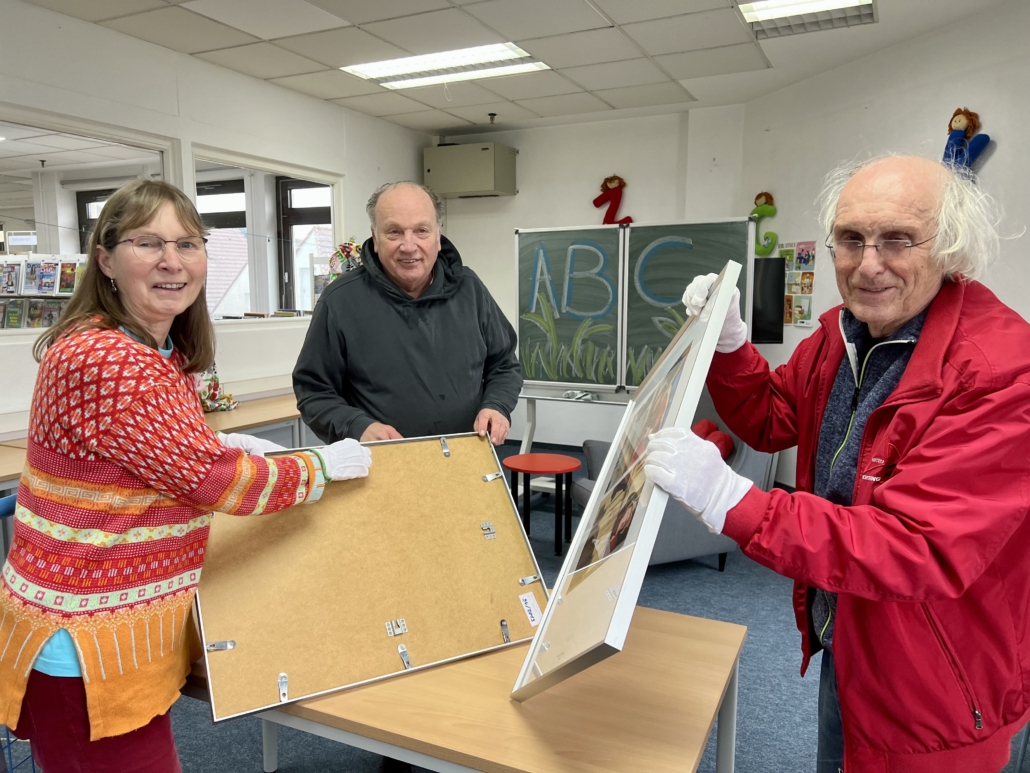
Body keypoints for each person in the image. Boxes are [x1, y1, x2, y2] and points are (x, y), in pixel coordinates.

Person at [645, 156, 1030, 772]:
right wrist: (731, 346)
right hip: (848, 636)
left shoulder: (1001, 373)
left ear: (950, 249)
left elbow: (915, 546)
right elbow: (772, 419)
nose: (867, 263)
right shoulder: (838, 335)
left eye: (897, 239)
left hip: (939, 680)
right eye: (850, 239)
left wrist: (733, 501)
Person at [0, 180, 372, 771]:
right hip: (85, 652)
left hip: (116, 638)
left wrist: (217, 442)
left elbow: (150, 452)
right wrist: (322, 464)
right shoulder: (107, 359)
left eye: (188, 243)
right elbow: (218, 483)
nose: (173, 262)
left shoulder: (149, 349)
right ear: (106, 259)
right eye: (149, 243)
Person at [293, 181, 522, 446]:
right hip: (379, 468)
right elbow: (313, 391)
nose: (409, 245)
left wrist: (496, 405)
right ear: (375, 237)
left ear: (438, 235)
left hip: (468, 458)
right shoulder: (340, 302)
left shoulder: (470, 290)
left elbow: (504, 365)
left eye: (421, 231)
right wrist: (357, 426)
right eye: (394, 232)